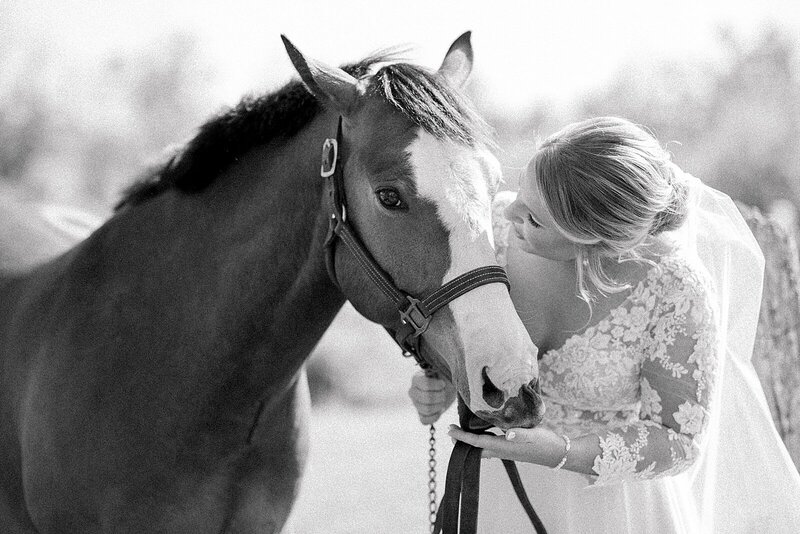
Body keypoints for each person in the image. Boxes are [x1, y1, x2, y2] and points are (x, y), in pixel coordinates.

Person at [409, 117, 800, 533]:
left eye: (536, 219)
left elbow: (678, 439)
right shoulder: (497, 235)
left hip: (616, 512)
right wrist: (443, 383)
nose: (510, 211)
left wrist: (560, 452)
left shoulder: (673, 288)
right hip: (494, 499)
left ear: (596, 240)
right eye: (521, 192)